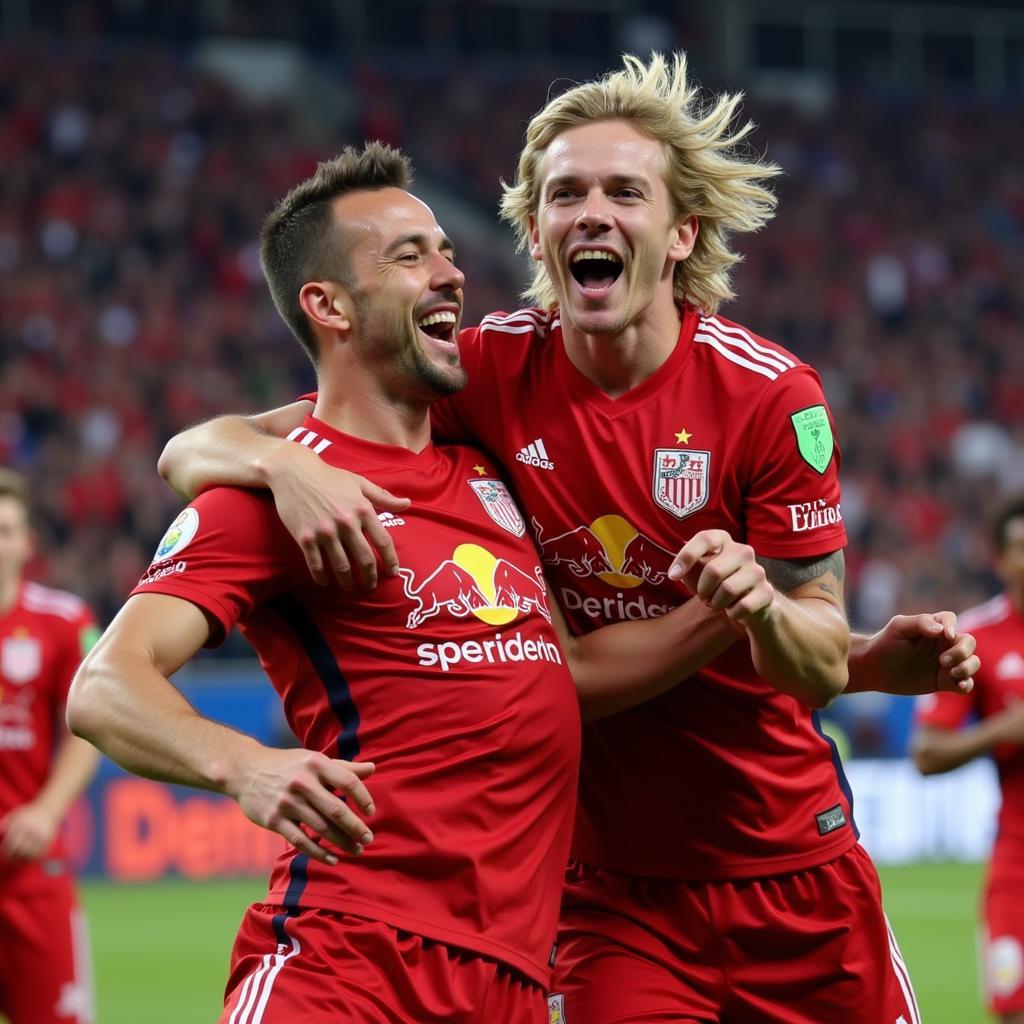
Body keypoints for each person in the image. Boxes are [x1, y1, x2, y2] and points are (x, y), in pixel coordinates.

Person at [158, 57, 979, 1023]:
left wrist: (769, 610)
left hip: (792, 860)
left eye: (624, 191)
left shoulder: (768, 396)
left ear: (680, 234)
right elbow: (194, 448)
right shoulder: (490, 369)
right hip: (608, 897)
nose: (591, 211)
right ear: (538, 232)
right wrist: (285, 466)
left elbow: (810, 662)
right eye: (564, 194)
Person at [67, 143, 764, 1024]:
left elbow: (568, 674)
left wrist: (740, 601)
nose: (452, 273)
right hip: (347, 963)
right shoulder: (276, 499)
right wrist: (245, 766)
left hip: (510, 981)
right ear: (328, 306)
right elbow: (103, 686)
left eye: (445, 249)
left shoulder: (486, 474)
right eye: (409, 255)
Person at [912, 496, 1024, 1024]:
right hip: (1017, 867)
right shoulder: (977, 639)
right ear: (1000, 559)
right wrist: (1007, 729)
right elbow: (926, 753)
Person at [0, 467, 100, 1024]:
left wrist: (46, 811)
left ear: (26, 542)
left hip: (29, 867)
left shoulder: (63, 621)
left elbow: (87, 729)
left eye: (6, 529)